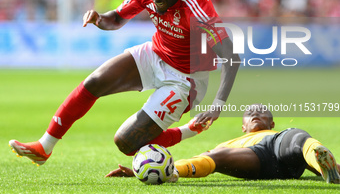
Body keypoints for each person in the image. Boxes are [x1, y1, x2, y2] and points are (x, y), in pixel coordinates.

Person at [8, 0, 240, 165]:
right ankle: (44, 147)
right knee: (95, 82)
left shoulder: (196, 6)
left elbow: (232, 57)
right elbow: (118, 18)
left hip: (186, 80)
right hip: (157, 53)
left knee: (126, 142)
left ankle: (190, 129)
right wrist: (100, 18)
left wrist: (218, 104)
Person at [106, 104, 340, 184]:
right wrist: (155, 171)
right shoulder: (231, 142)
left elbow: (292, 142)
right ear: (243, 126)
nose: (256, 113)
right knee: (216, 156)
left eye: (262, 112)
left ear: (272, 121)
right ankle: (169, 172)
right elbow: (205, 159)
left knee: (299, 139)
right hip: (255, 158)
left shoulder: (280, 133)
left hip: (282, 148)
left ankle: (329, 170)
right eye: (250, 113)